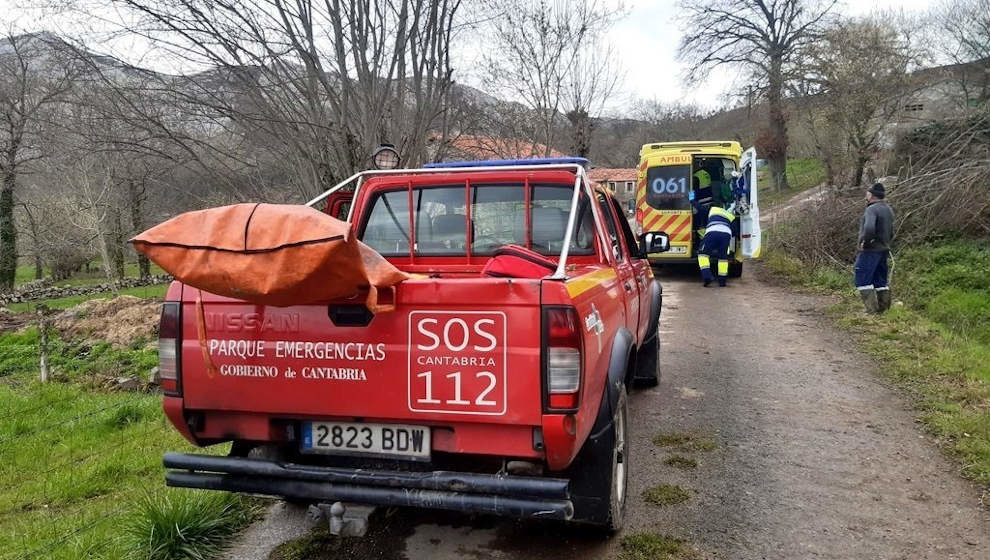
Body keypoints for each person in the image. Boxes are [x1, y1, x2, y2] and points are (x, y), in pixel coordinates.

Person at [855, 183, 894, 313]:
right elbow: (891, 231)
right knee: (880, 280)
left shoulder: (871, 209)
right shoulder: (888, 209)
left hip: (870, 250)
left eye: (867, 193)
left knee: (862, 278)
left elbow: (869, 228)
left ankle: (871, 311)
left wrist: (866, 242)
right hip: (884, 249)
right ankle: (884, 311)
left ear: (871, 195)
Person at [695, 204, 739, 287]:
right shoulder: (731, 216)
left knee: (702, 254)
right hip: (726, 234)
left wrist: (692, 201)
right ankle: (722, 282)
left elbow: (700, 208)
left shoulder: (713, 209)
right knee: (723, 258)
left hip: (712, 231)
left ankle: (707, 276)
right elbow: (735, 231)